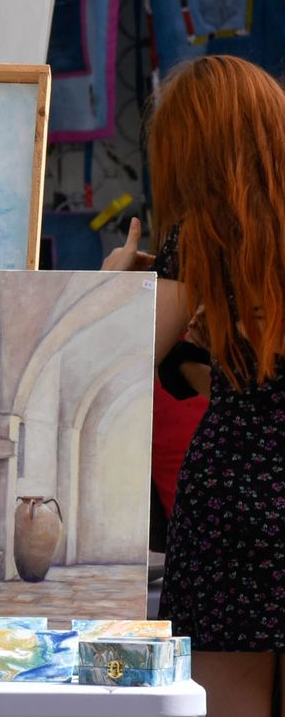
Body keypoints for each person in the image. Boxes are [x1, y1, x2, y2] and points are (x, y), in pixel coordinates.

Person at [103, 55, 285, 717]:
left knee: (228, 698)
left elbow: (120, 367)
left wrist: (120, 284)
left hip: (240, 492)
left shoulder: (202, 233)